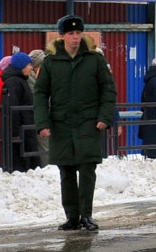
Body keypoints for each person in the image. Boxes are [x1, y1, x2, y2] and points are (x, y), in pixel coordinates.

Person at [34, 15, 117, 231]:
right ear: (62, 36)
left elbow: (108, 89)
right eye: (71, 33)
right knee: (67, 171)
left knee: (88, 170)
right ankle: (72, 216)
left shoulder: (94, 59)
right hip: (62, 124)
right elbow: (41, 93)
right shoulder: (51, 61)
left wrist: (104, 117)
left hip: (88, 123)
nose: (75, 37)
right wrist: (42, 122)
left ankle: (86, 216)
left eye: (78, 33)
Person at [0, 51, 38, 171]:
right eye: (28, 65)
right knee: (22, 162)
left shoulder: (20, 80)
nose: (31, 68)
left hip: (25, 127)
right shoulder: (14, 82)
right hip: (21, 129)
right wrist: (15, 132)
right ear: (21, 66)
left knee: (29, 158)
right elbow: (12, 108)